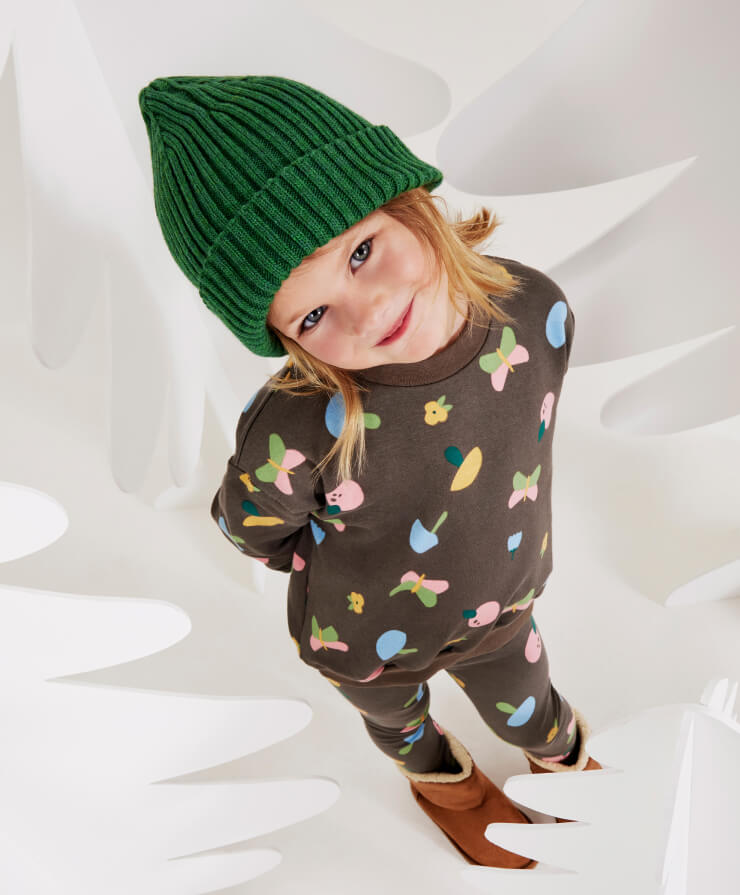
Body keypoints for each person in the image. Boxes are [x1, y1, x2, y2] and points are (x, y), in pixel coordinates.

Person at [138, 74, 602, 869]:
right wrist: (351, 558)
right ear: (285, 337)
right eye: (314, 315)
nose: (370, 310)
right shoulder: (298, 425)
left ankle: (565, 767)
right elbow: (249, 524)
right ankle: (449, 789)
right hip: (361, 638)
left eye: (361, 252)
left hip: (504, 603)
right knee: (399, 724)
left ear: (406, 200)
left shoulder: (534, 312)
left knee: (532, 709)